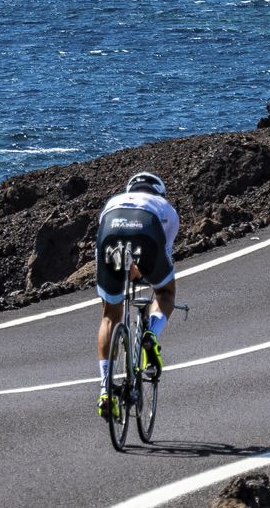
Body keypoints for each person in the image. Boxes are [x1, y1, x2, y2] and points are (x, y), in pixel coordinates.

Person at [94, 171, 179, 419]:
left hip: (111, 226)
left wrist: (125, 271)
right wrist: (144, 273)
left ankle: (105, 389)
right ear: (159, 192)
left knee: (110, 314)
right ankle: (150, 332)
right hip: (148, 228)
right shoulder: (166, 208)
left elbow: (108, 243)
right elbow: (162, 253)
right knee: (165, 292)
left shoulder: (114, 200)